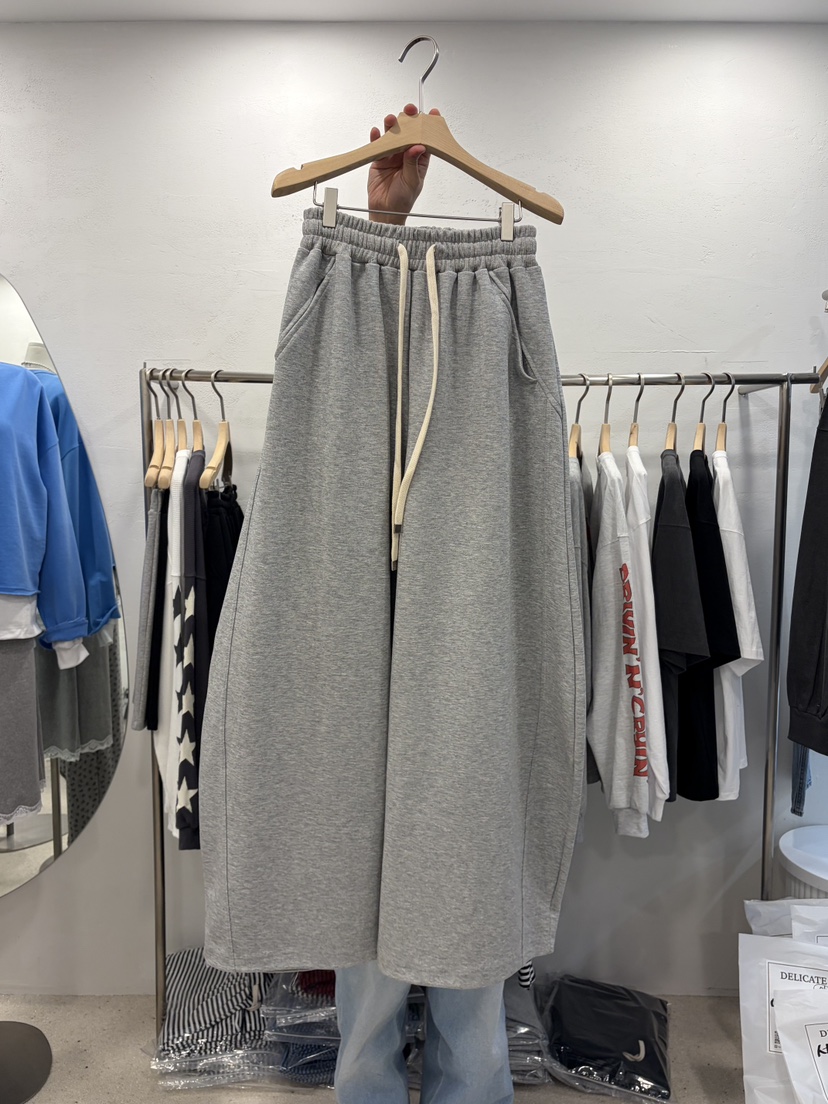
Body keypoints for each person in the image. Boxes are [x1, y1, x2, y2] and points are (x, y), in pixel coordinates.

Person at [331, 102, 515, 1104]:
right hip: (361, 599)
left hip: (465, 613)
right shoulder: (349, 315)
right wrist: (385, 225)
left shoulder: (495, 316)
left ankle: (468, 1085)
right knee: (366, 883)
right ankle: (371, 1082)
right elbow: (364, 368)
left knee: (466, 868)